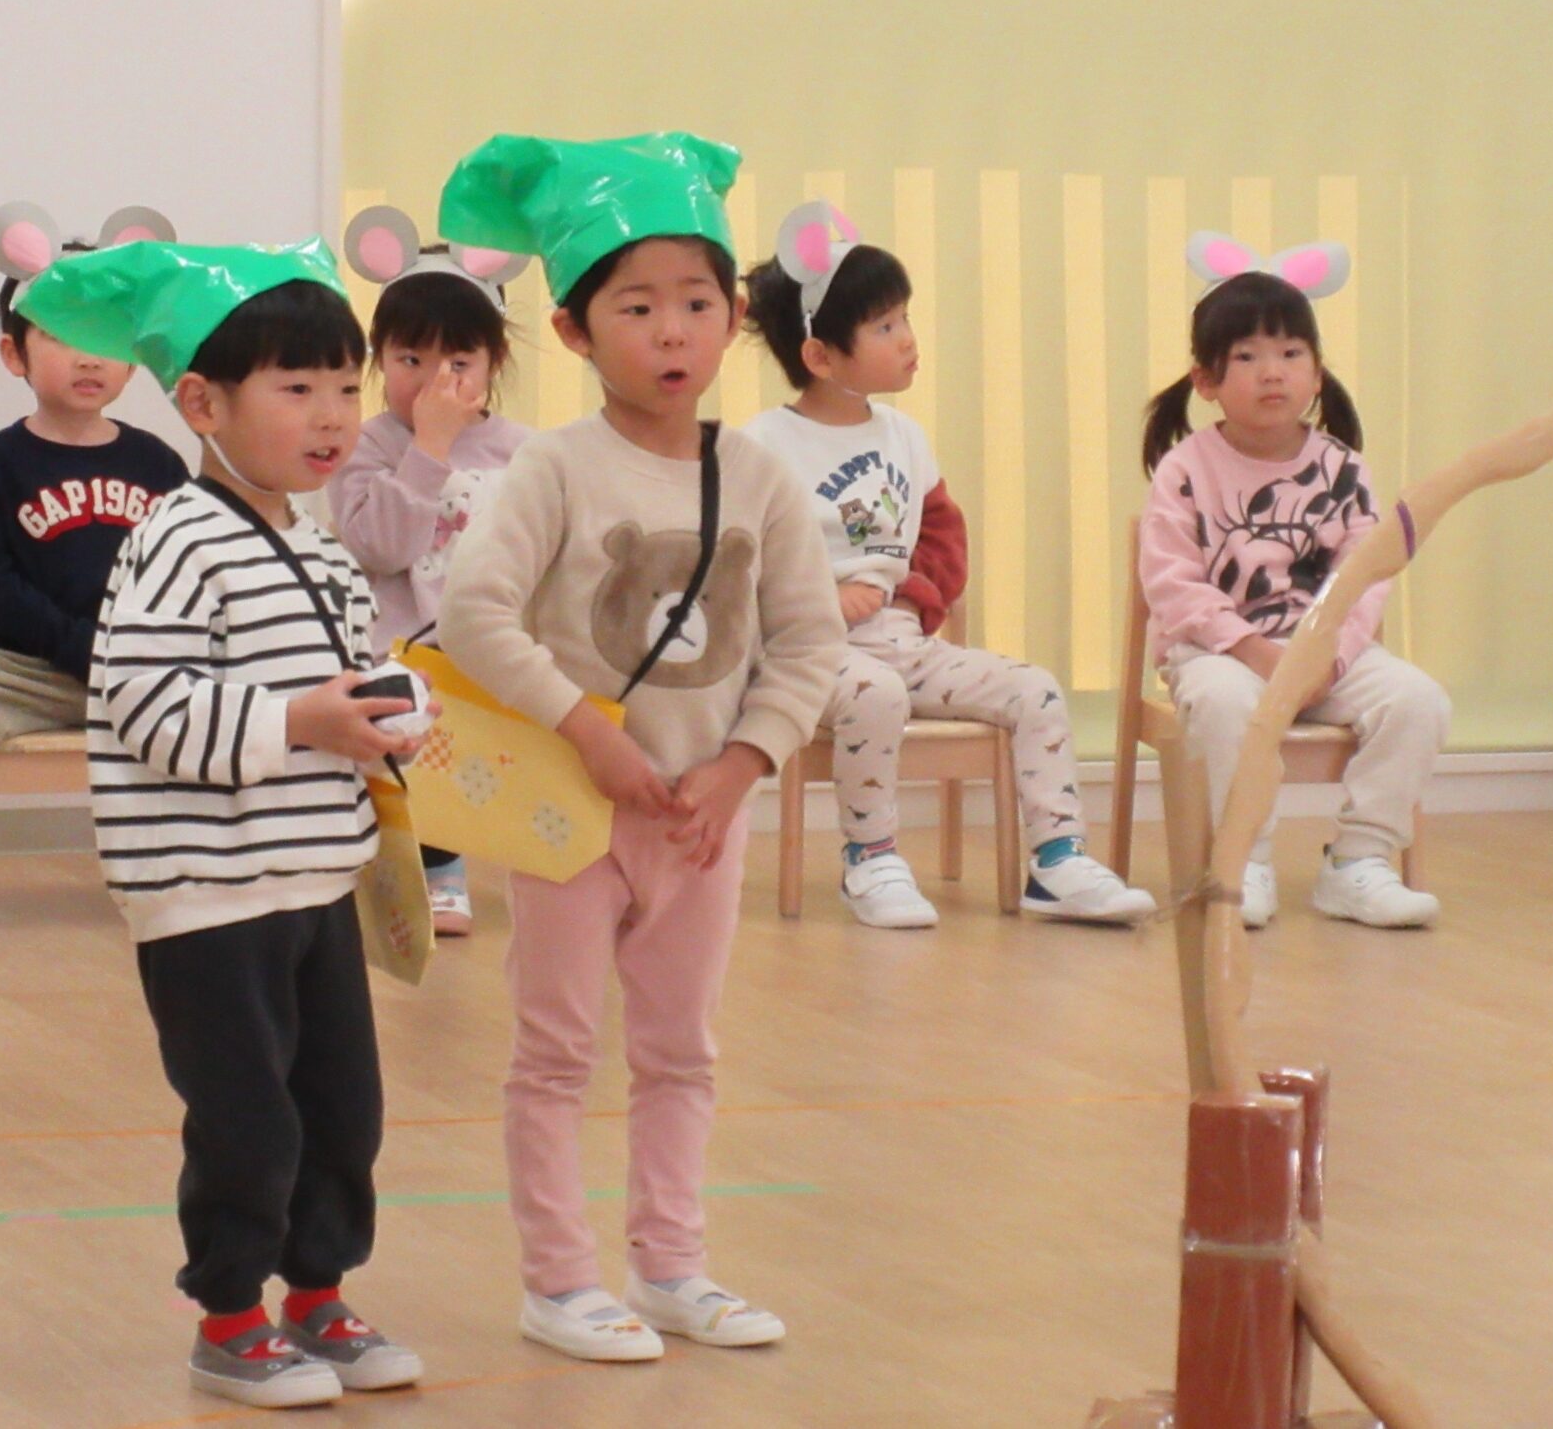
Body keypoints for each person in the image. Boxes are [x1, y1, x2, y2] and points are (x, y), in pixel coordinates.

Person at [438, 132, 843, 1360]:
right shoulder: (555, 468)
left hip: (701, 824)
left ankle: (672, 1267)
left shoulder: (759, 478)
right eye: (637, 306)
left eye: (697, 303)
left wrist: (742, 764)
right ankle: (560, 1282)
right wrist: (584, 731)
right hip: (571, 815)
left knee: (681, 1056)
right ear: (574, 331)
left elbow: (810, 643)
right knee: (555, 1055)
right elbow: (474, 614)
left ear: (735, 320)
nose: (672, 331)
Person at [21, 233, 429, 1408]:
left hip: (316, 882)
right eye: (296, 388)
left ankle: (319, 1295)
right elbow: (144, 706)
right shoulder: (174, 538)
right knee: (246, 1119)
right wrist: (302, 720)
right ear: (202, 403)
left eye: (345, 386)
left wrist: (393, 708)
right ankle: (232, 1317)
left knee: (341, 1113)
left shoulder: (323, 545)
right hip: (207, 893)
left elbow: (348, 678)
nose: (332, 415)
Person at [745, 201, 1153, 927]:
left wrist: (909, 593)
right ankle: (871, 860)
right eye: (884, 326)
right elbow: (736, 564)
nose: (908, 339)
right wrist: (820, 600)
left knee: (1034, 689)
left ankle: (1057, 860)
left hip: (902, 640)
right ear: (820, 356)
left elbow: (940, 534)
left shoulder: (904, 435)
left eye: (904, 318)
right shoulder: (764, 447)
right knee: (874, 694)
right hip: (806, 653)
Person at [0, 206, 188, 944]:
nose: (88, 356)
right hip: (23, 668)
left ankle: (207, 864)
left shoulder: (159, 464)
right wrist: (81, 645)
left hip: (138, 667)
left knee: (235, 694)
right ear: (13, 354)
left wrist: (141, 649)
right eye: (62, 334)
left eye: (105, 337)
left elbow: (188, 572)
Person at [1138, 233, 1449, 929]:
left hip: (1328, 654)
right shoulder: (1185, 469)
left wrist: (1325, 658)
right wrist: (1255, 651)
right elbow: (1174, 585)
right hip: (1223, 653)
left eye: (1289, 353)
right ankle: (1242, 859)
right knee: (1223, 704)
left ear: (1316, 372)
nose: (1271, 372)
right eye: (1246, 356)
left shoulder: (1344, 469)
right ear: (1206, 380)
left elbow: (1365, 575)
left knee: (1418, 700)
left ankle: (1360, 862)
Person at [330, 208, 531, 933]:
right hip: (398, 648)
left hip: (497, 641)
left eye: (458, 363)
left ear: (492, 363)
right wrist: (431, 448)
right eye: (409, 360)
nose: (431, 381)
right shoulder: (366, 444)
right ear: (379, 358)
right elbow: (380, 546)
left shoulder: (523, 451)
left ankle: (560, 868)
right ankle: (434, 865)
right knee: (411, 706)